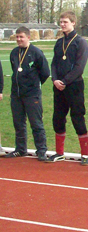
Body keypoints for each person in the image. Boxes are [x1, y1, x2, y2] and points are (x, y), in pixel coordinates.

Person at [48, 11, 88, 165]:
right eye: (61, 22)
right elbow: (53, 63)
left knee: (77, 117)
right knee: (58, 118)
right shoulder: (59, 42)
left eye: (65, 21)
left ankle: (85, 155)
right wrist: (55, 79)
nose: (62, 24)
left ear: (73, 23)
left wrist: (65, 81)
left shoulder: (80, 42)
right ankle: (59, 153)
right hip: (58, 87)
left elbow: (80, 67)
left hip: (74, 86)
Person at [4, 27, 50, 161]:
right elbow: (15, 70)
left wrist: (34, 84)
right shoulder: (14, 53)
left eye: (21, 37)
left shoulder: (36, 52)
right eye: (17, 37)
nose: (18, 39)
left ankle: (41, 150)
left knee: (36, 123)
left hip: (32, 94)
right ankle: (20, 149)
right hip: (16, 94)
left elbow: (45, 72)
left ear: (28, 37)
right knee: (18, 123)